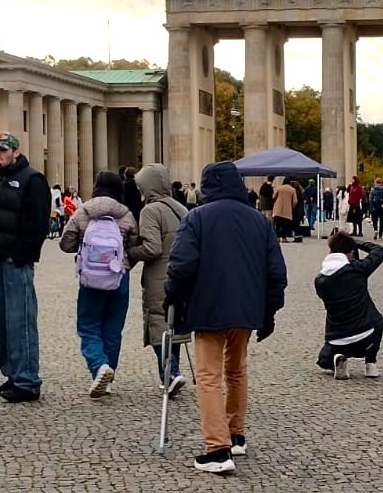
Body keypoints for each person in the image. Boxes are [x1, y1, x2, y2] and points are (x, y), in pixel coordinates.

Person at [165, 161, 288, 475]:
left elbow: (181, 265)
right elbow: (276, 272)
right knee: (236, 371)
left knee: (208, 377)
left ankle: (217, 448)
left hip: (208, 307)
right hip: (246, 310)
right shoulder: (259, 221)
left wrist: (173, 297)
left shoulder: (197, 217)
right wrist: (269, 312)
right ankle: (236, 433)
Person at [0, 132, 51, 403]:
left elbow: (38, 223)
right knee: (2, 321)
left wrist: (22, 254)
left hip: (16, 261)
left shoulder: (32, 179)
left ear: (15, 152)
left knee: (21, 321)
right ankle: (12, 374)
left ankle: (28, 379)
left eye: (2, 150)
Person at [60, 171, 136, 398]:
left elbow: (66, 243)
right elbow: (134, 244)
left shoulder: (84, 211)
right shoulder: (126, 214)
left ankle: (98, 366)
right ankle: (108, 371)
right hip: (118, 274)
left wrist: (84, 250)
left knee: (88, 326)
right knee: (113, 328)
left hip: (91, 277)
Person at [126, 163, 190, 396]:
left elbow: (152, 248)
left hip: (158, 276)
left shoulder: (150, 211)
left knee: (157, 325)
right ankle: (173, 372)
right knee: (173, 324)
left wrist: (130, 253)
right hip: (181, 274)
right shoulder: (182, 209)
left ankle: (170, 373)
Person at [314, 230, 383, 380]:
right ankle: (371, 363)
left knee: (323, 360)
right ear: (350, 252)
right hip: (366, 335)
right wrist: (357, 243)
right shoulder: (358, 269)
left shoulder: (320, 280)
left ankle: (338, 358)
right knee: (379, 320)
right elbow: (379, 250)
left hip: (337, 338)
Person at [272, 177, 297, 243]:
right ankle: (284, 238)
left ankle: (277, 238)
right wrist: (291, 207)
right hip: (287, 210)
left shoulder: (279, 188)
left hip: (277, 209)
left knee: (277, 225)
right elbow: (295, 201)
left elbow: (273, 196)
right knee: (285, 225)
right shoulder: (292, 190)